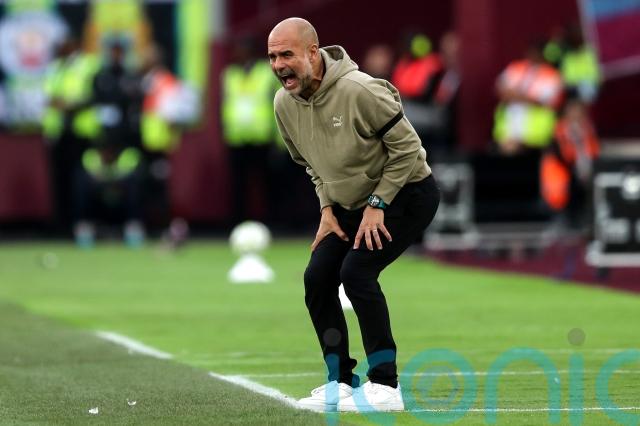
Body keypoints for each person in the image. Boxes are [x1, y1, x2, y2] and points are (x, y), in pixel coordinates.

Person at [268, 18, 440, 412]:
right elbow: (310, 164)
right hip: (349, 205)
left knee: (357, 273)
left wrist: (378, 204)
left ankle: (386, 386)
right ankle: (341, 381)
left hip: (408, 194)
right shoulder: (283, 104)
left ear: (313, 53)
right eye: (272, 57)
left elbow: (409, 150)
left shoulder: (360, 90)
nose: (278, 65)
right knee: (317, 278)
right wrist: (326, 207)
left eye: (287, 54)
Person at [493, 40, 564, 155]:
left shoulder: (552, 75)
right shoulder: (515, 67)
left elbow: (542, 100)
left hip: (535, 136)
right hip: (509, 131)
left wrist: (515, 95)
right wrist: (524, 96)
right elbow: (501, 91)